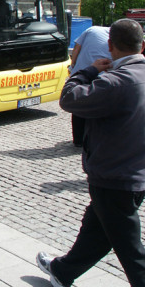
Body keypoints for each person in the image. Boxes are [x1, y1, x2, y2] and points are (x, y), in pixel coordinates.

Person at [37, 19, 145, 287]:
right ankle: (62, 270)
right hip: (134, 173)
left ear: (110, 46)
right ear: (142, 45)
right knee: (96, 229)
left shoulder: (116, 81)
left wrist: (86, 71)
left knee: (131, 251)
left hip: (114, 176)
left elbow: (69, 99)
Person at [68, 25, 110, 147]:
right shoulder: (119, 37)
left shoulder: (92, 30)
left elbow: (77, 47)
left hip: (82, 72)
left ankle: (78, 139)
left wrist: (73, 65)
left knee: (78, 106)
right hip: (103, 74)